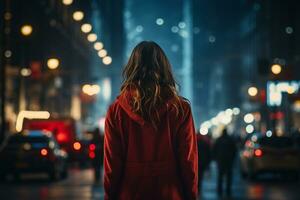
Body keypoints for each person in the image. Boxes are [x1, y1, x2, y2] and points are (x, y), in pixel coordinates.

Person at [104, 41, 198, 200]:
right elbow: (188, 162)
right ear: (164, 68)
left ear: (132, 68)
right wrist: (191, 196)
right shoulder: (180, 109)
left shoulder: (116, 111)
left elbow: (112, 165)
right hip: (169, 193)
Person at [213, 128, 237, 197]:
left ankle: (219, 189)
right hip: (229, 160)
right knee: (229, 176)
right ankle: (228, 190)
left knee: (220, 175)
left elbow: (214, 149)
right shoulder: (230, 140)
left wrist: (216, 158)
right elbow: (234, 150)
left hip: (221, 160)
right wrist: (232, 159)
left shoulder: (219, 139)